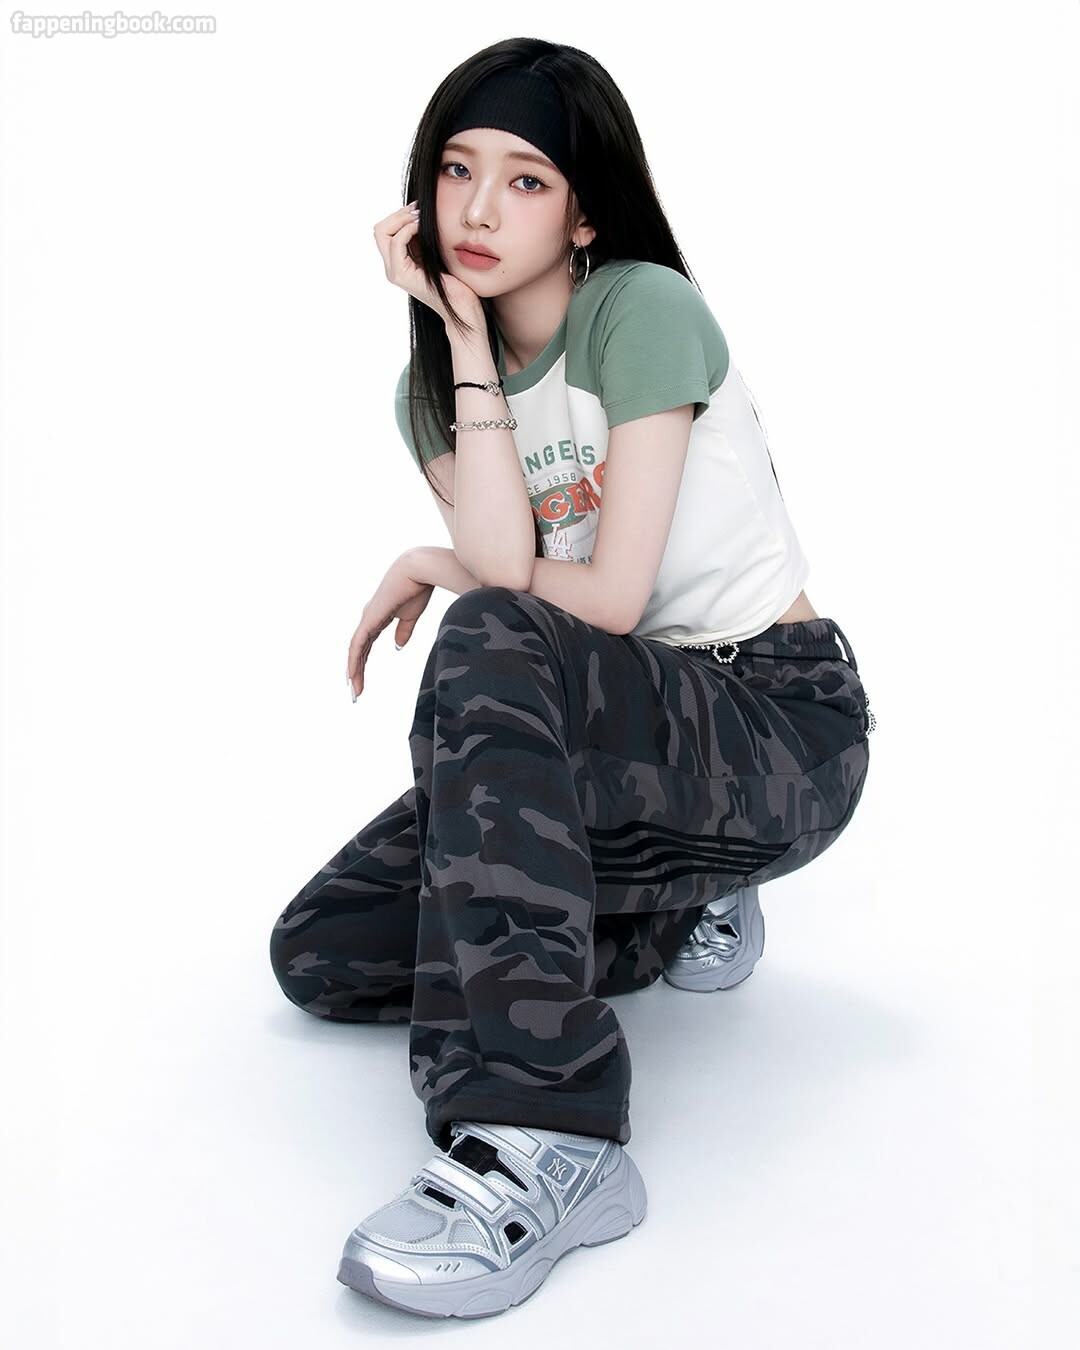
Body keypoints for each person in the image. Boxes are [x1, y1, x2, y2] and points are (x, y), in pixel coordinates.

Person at [268, 36, 874, 1320]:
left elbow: (604, 600)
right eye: (456, 170)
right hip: (614, 741)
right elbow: (511, 564)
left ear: (586, 213)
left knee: (487, 638)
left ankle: (551, 1130)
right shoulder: (430, 391)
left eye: (527, 180)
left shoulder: (640, 310)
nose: (479, 210)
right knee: (323, 953)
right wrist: (463, 344)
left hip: (775, 722)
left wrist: (431, 559)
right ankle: (668, 897)